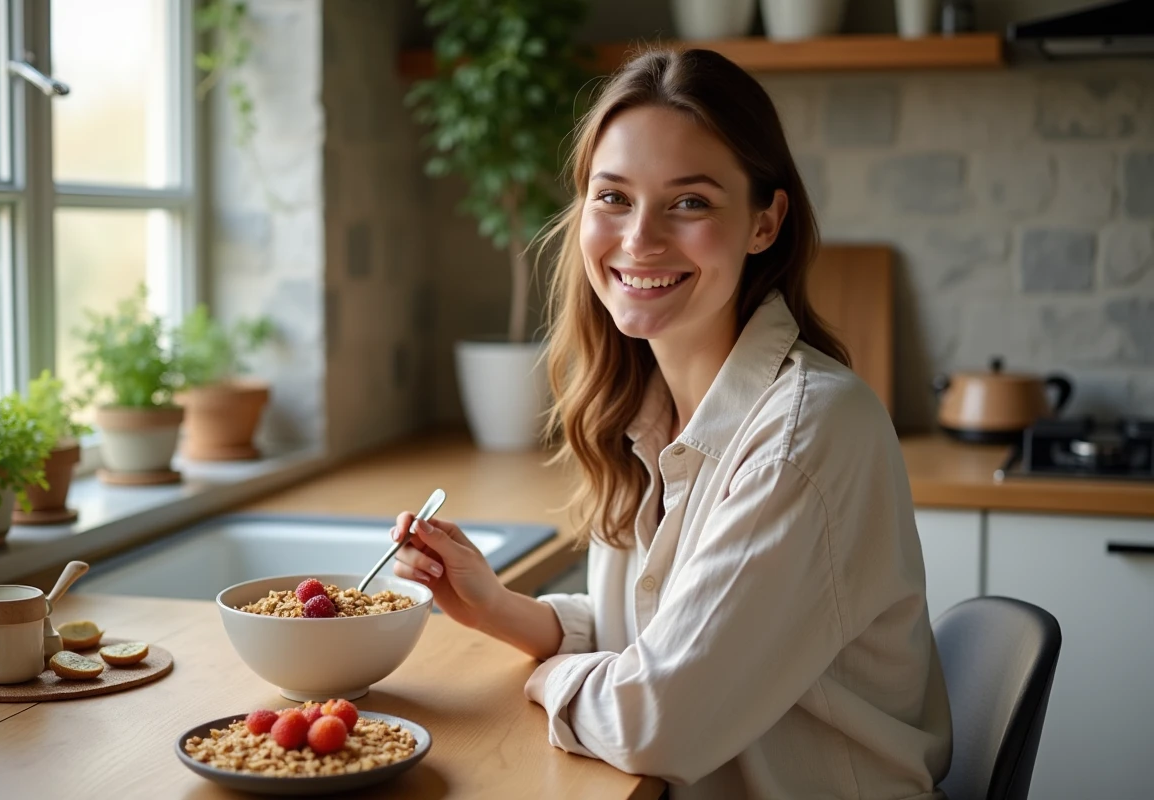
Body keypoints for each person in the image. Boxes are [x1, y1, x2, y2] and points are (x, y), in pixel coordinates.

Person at [390, 47, 953, 800]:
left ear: (765, 222)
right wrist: (501, 609)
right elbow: (661, 633)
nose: (639, 238)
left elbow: (658, 718)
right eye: (613, 197)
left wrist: (550, 677)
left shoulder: (807, 435)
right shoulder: (649, 408)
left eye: (689, 202)